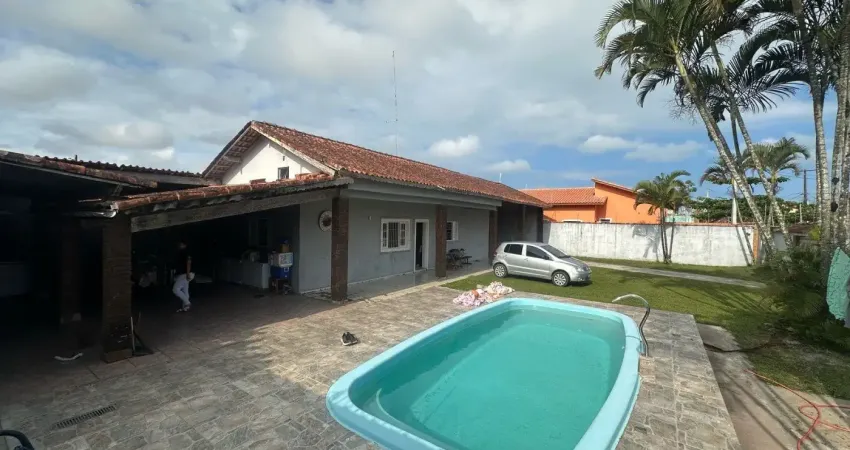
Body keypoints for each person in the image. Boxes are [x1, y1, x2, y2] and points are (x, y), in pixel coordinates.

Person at [173, 241, 192, 312]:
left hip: (184, 274)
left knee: (175, 289)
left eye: (181, 244)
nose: (179, 246)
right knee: (185, 290)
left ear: (184, 245)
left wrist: (187, 273)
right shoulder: (183, 253)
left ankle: (187, 303)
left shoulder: (185, 253)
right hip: (185, 273)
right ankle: (185, 307)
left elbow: (188, 262)